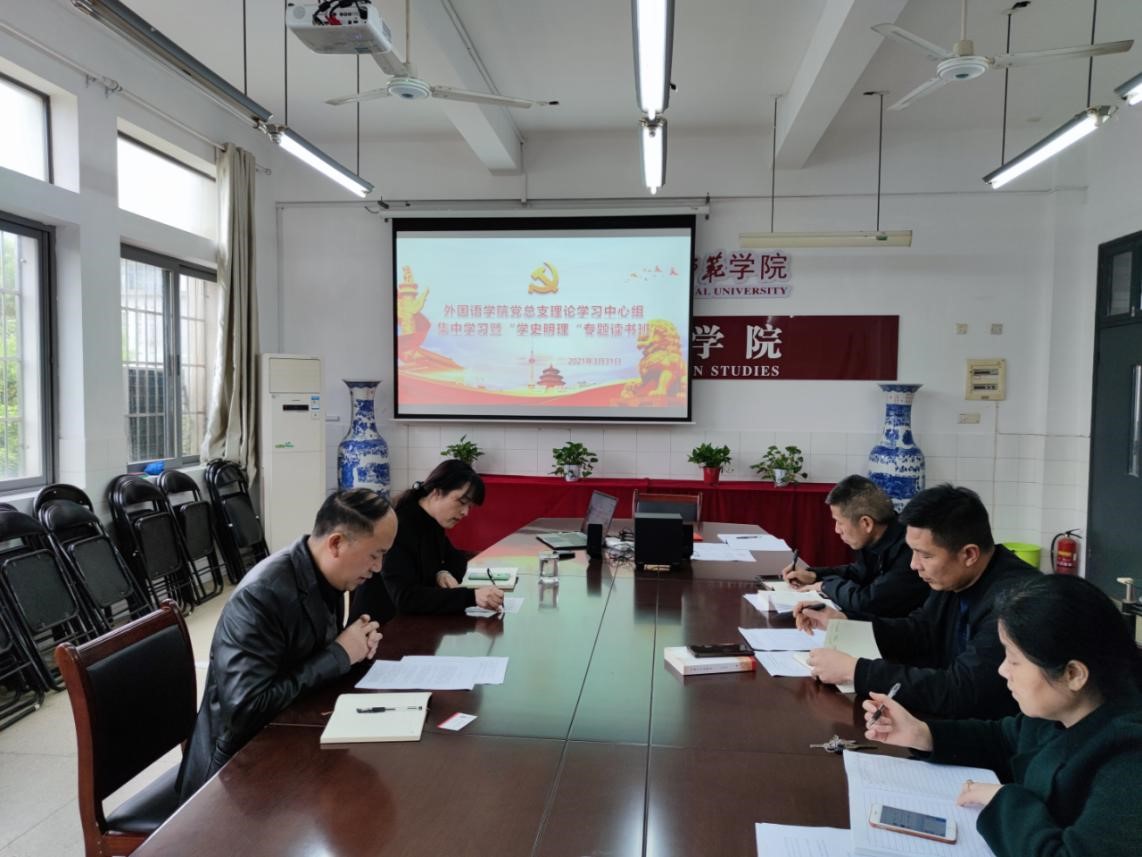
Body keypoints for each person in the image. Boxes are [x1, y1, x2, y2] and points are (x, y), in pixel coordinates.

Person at [863, 574, 1142, 857]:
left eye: (1014, 660)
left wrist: (1003, 799)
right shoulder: (1063, 709)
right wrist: (923, 734)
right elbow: (1001, 739)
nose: (1002, 670)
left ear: (1073, 674)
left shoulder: (1130, 760)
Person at [177, 489, 397, 802]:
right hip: (233, 774)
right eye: (375, 554)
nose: (378, 567)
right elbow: (245, 711)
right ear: (336, 543)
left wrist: (355, 652)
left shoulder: (326, 575)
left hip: (288, 739)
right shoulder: (260, 597)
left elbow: (307, 660)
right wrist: (339, 654)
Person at [794, 484, 1034, 719]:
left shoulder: (1016, 601)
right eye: (913, 552)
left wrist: (856, 671)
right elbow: (919, 631)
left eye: (925, 555)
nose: (913, 565)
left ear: (969, 554)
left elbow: (962, 690)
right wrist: (845, 621)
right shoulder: (955, 576)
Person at [351, 459, 503, 623]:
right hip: (378, 626)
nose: (465, 512)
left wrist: (442, 572)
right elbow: (406, 597)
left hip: (410, 623)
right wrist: (471, 596)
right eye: (462, 502)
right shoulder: (400, 525)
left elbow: (457, 561)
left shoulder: (432, 521)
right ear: (437, 493)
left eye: (470, 507)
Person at [781, 474, 928, 619]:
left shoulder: (911, 550)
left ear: (866, 523)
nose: (837, 530)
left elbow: (868, 602)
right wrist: (814, 575)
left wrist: (824, 585)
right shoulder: (875, 535)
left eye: (840, 522)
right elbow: (859, 573)